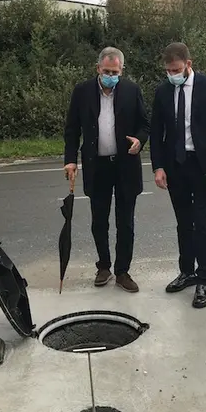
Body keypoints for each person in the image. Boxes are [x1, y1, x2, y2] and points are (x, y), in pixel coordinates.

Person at [150, 42, 206, 309]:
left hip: (203, 165)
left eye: (176, 69)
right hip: (176, 166)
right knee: (183, 222)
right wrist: (158, 167)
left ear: (188, 63)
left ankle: (203, 280)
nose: (171, 74)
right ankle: (186, 271)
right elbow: (156, 132)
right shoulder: (163, 92)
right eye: (167, 70)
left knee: (201, 223)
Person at [63, 47, 150, 293]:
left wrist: (139, 141)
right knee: (99, 220)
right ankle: (103, 266)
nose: (110, 75)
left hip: (125, 165)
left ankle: (123, 271)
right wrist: (71, 159)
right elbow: (72, 129)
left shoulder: (132, 91)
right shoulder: (82, 92)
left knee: (126, 222)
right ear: (98, 69)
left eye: (115, 72)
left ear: (122, 70)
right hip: (96, 166)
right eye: (106, 71)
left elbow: (145, 124)